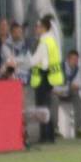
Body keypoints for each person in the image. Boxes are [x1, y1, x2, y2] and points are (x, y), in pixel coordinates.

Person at [29, 14, 64, 143]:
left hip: (43, 78)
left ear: (43, 28)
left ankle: (45, 136)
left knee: (42, 107)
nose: (36, 29)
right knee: (47, 107)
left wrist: (21, 61)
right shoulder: (52, 40)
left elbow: (36, 61)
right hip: (50, 78)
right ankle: (50, 135)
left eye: (38, 26)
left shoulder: (44, 42)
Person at [57, 48, 81, 138]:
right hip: (57, 92)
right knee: (52, 99)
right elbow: (54, 85)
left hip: (68, 92)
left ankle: (78, 129)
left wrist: (72, 86)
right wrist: (69, 86)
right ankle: (54, 129)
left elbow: (78, 84)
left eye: (76, 60)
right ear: (68, 59)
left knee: (77, 98)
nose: (75, 62)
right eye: (73, 59)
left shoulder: (77, 69)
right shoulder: (59, 67)